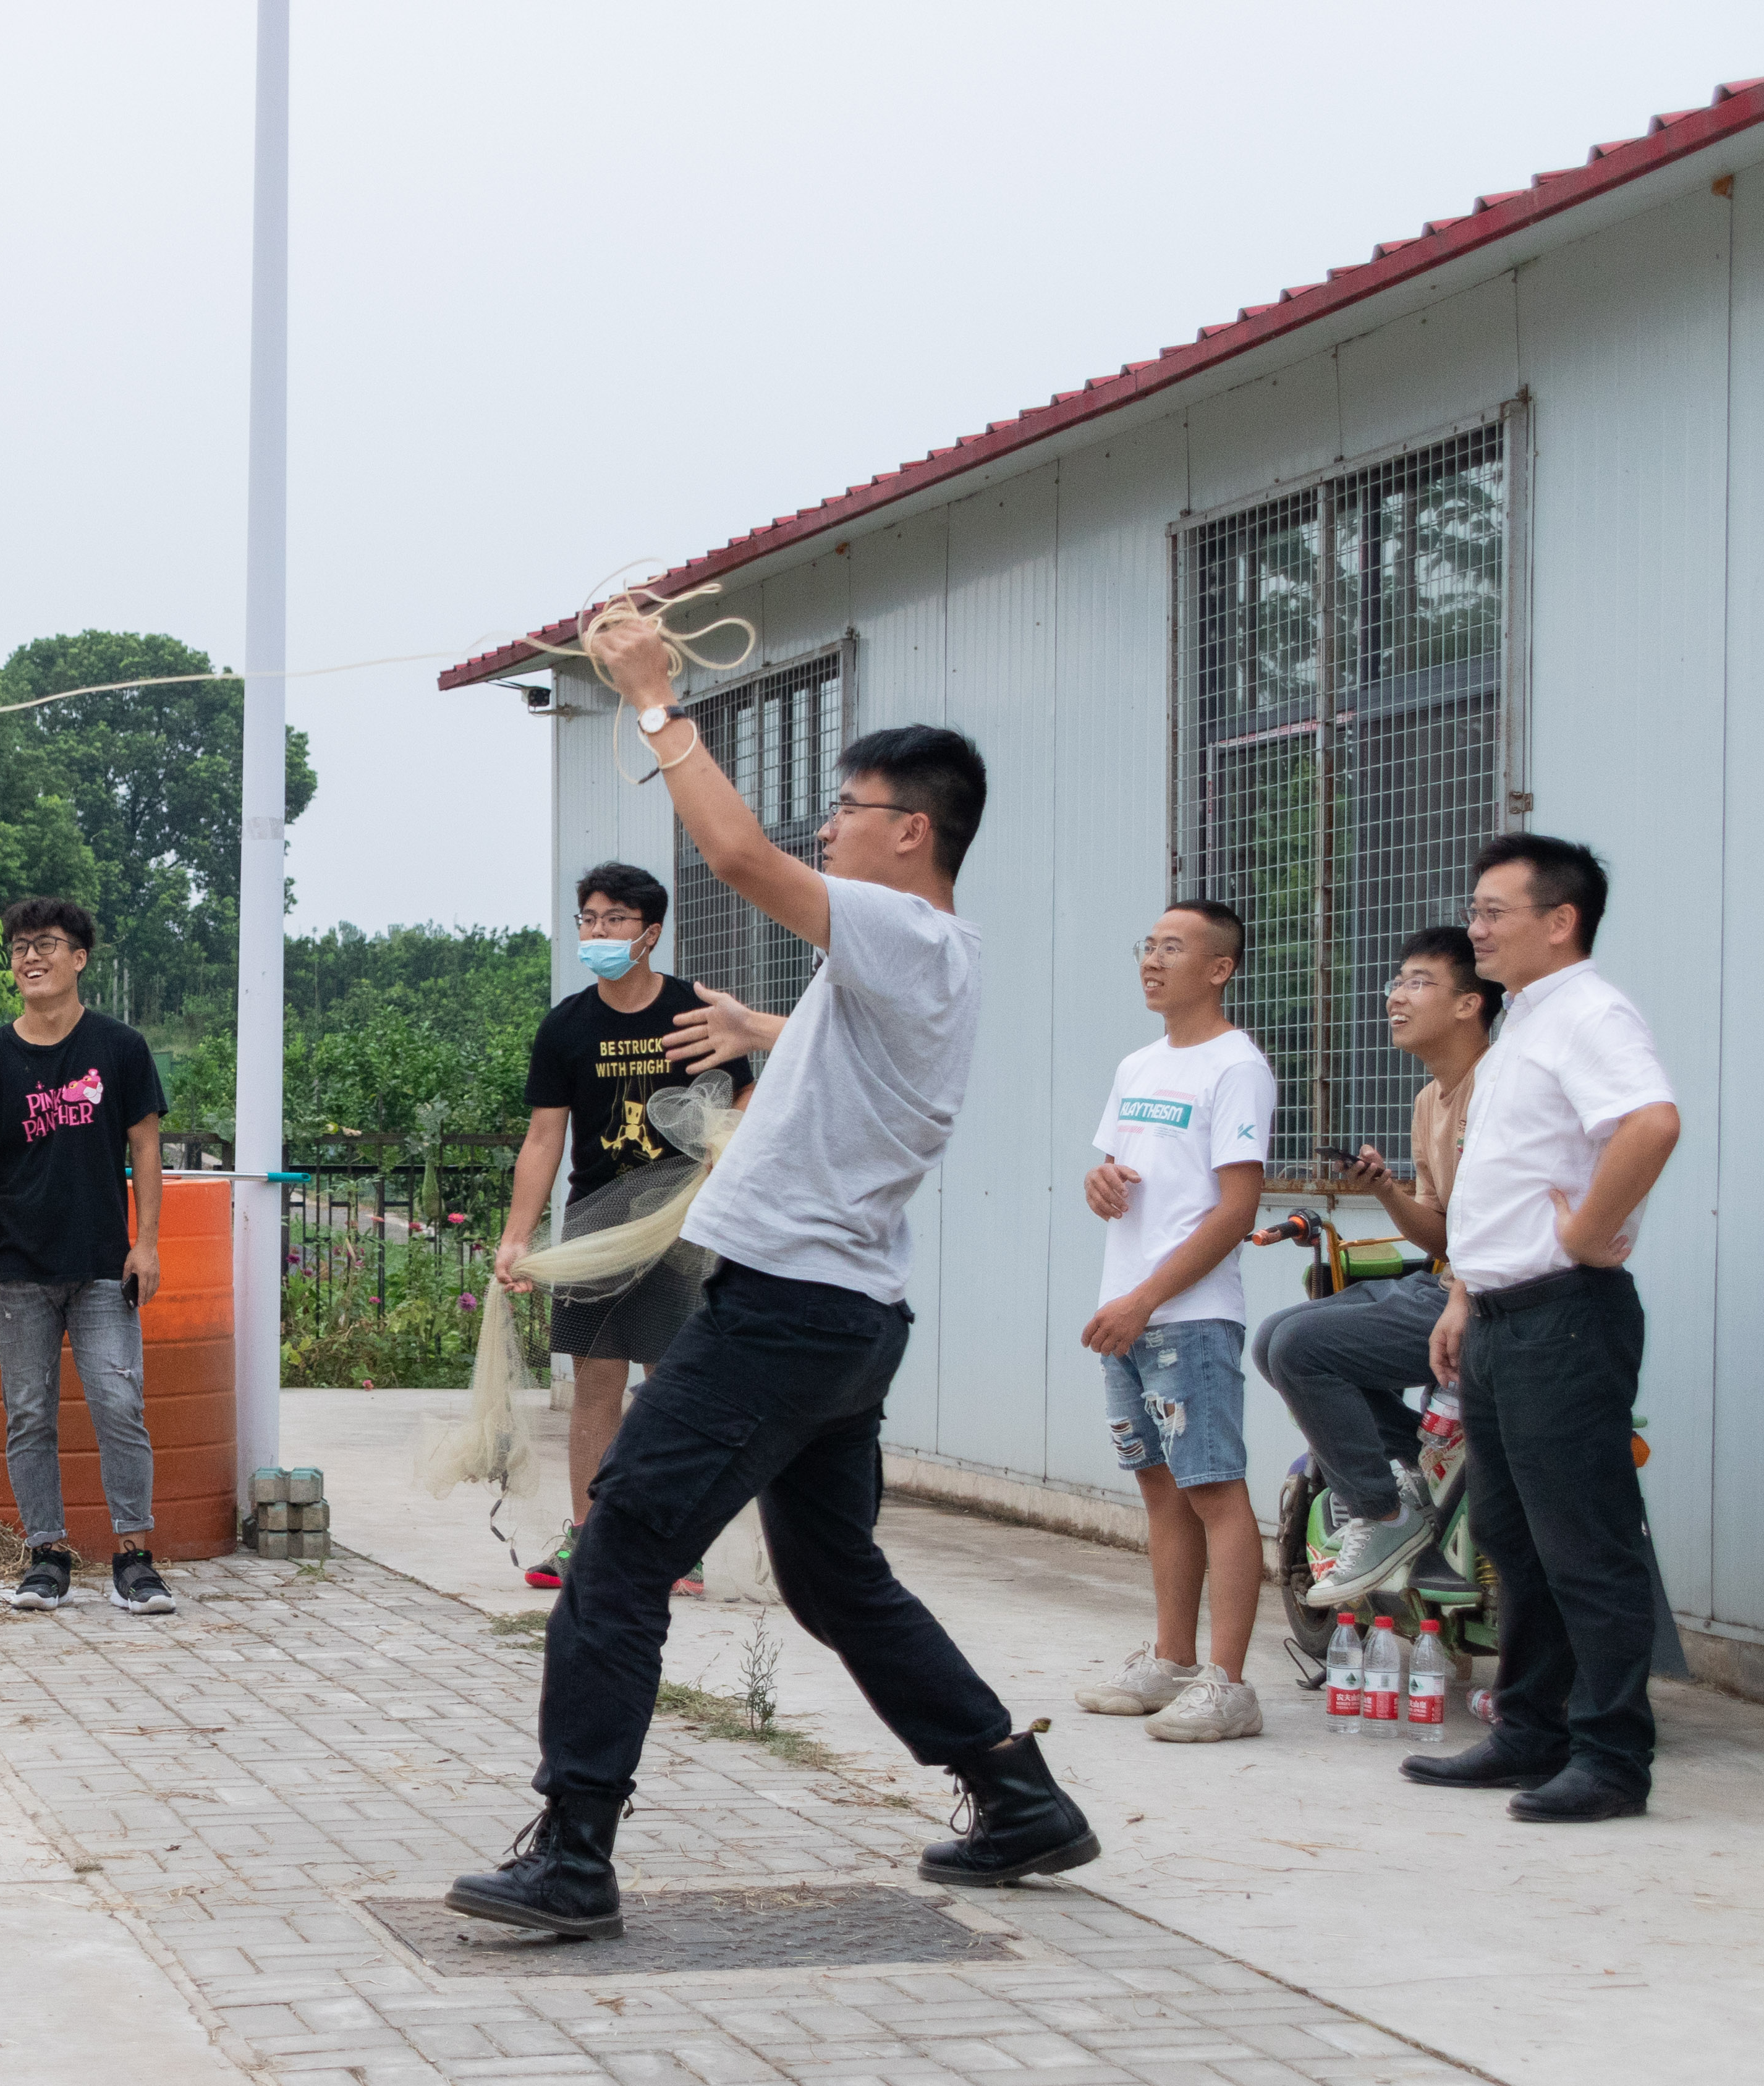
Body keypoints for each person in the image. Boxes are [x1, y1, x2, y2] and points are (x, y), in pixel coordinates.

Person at [447, 615, 1095, 1943]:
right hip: (845, 1315)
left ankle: (574, 1851)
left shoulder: (906, 932)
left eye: (850, 810)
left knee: (620, 1545)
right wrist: (758, 1024)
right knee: (835, 1575)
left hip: (788, 1311)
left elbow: (734, 853)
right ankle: (1016, 1793)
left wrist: (653, 700)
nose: (830, 833)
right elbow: (859, 1051)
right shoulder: (922, 966)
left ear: (913, 830)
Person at [1406, 836, 1678, 1822]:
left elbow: (1650, 1121)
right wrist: (1466, 1294)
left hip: (1566, 1316)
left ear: (1560, 921)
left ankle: (1610, 1758)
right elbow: (1511, 1177)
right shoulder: (1526, 1021)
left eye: (1493, 912)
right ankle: (1530, 1727)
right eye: (1474, 910)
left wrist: (1590, 1228)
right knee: (1514, 1544)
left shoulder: (1591, 1013)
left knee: (1585, 1544)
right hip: (1503, 1317)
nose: (1475, 928)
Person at [492, 860, 755, 1591]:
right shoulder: (568, 1026)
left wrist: (722, 1174)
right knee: (594, 1384)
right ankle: (589, 1541)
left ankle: (679, 1548)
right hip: (595, 1224)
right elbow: (544, 1139)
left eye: (614, 920)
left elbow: (748, 1102)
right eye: (589, 918)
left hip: (686, 1223)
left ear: (651, 934)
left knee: (672, 1386)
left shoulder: (693, 1013)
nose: (598, 932)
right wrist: (518, 1237)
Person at [1069, 902, 1274, 1743]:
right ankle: (1172, 1658)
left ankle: (1229, 1682)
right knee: (1159, 1487)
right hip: (1124, 1309)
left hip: (1184, 1315)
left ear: (1219, 967)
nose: (1152, 959)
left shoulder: (1237, 1066)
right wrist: (1100, 1182)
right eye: (1147, 944)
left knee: (1214, 1490)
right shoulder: (1138, 1064)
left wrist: (1148, 1298)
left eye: (1173, 947)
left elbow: (1237, 1208)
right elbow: (1116, 1170)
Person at [0, 897, 176, 1617]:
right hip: (18, 1270)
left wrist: (148, 1242)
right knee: (29, 1414)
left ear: (79, 959)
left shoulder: (121, 1048)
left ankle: (135, 1557)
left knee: (118, 1405)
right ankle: (46, 1556)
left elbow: (145, 1147)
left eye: (47, 944)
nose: (30, 957)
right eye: (19, 947)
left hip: (106, 1265)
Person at [1257, 927, 1501, 1607]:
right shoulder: (1431, 1099)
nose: (1396, 995)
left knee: (1304, 1347)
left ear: (1469, 1004)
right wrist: (1386, 1190)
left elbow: (1497, 1227)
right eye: (1397, 981)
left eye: (1418, 982)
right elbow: (1442, 1229)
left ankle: (1385, 1512)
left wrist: (1462, 1295)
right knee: (1275, 1338)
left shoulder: (1498, 1087)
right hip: (1446, 1280)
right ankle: (1406, 1482)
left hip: (1483, 1297)